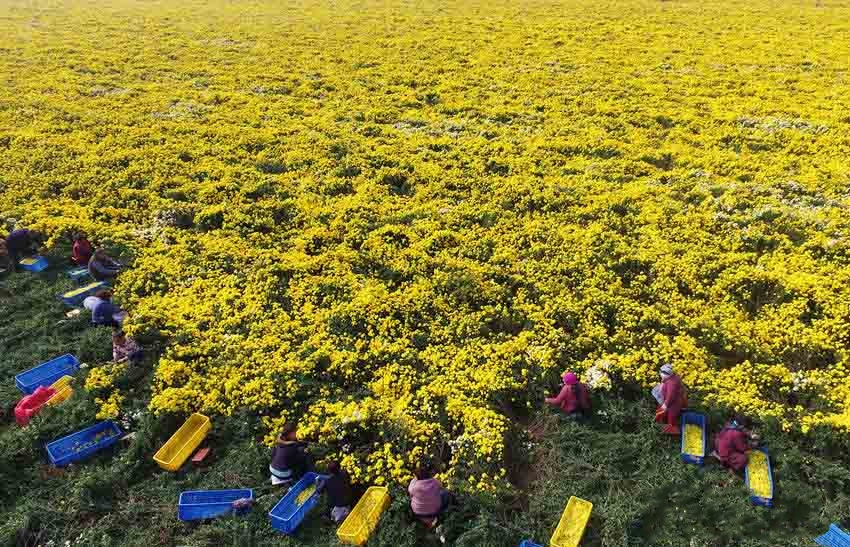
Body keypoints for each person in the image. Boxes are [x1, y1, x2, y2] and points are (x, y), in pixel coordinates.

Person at [269, 422, 312, 487]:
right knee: (303, 458)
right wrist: (304, 454)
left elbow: (295, 442)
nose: (296, 434)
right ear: (290, 433)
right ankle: (303, 477)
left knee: (276, 451)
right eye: (294, 432)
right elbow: (296, 461)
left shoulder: (280, 439)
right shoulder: (292, 447)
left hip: (272, 468)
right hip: (283, 473)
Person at [654, 364, 688, 435]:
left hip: (673, 404)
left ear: (667, 374)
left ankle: (672, 430)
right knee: (664, 412)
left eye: (662, 373)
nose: (661, 374)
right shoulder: (672, 377)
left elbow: (671, 396)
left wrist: (666, 404)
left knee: (672, 416)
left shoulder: (672, 383)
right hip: (672, 400)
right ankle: (664, 423)